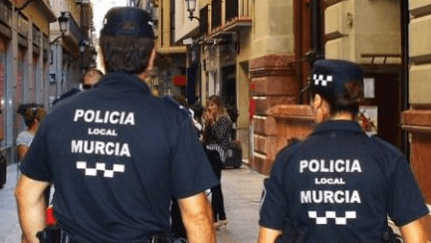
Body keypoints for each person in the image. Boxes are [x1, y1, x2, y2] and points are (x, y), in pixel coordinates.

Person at [15, 7, 218, 243]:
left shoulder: (61, 114)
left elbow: (26, 193)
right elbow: (197, 216)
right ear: (151, 56)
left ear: (101, 54)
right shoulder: (172, 121)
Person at [257, 59, 430, 243]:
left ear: (317, 101)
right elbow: (417, 237)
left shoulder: (288, 160)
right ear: (357, 101)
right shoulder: (388, 158)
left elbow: (267, 238)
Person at [203, 95, 232, 229]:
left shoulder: (224, 120)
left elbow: (218, 136)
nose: (210, 108)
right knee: (215, 186)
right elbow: (206, 137)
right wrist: (207, 123)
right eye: (209, 105)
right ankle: (221, 216)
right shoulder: (212, 120)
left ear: (219, 106)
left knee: (215, 186)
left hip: (217, 154)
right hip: (209, 152)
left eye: (212, 105)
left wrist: (212, 122)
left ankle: (217, 217)